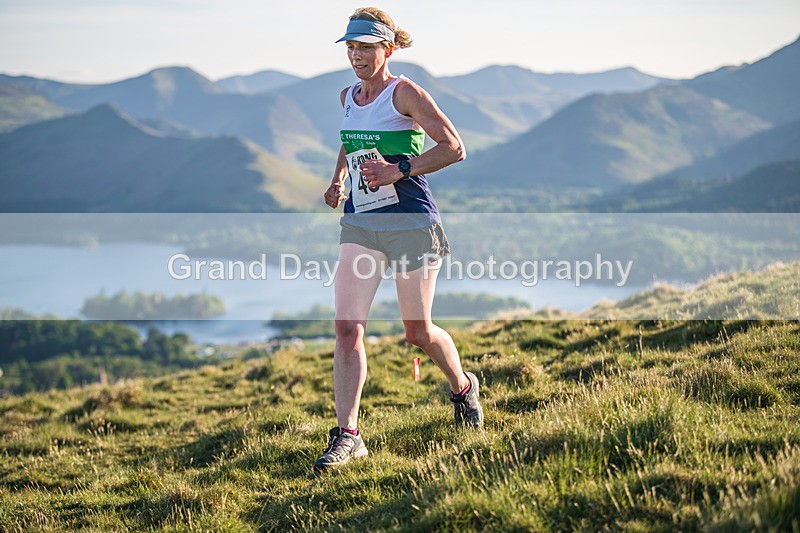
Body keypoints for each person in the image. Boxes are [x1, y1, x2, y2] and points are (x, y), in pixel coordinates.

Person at [316, 7, 483, 471]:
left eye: (366, 47)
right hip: (362, 222)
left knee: (417, 331)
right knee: (347, 327)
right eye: (351, 47)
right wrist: (340, 180)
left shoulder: (404, 92)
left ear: (387, 49)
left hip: (411, 221)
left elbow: (454, 146)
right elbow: (350, 142)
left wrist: (398, 169)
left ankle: (463, 386)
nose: (356, 56)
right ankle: (348, 435)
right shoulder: (348, 94)